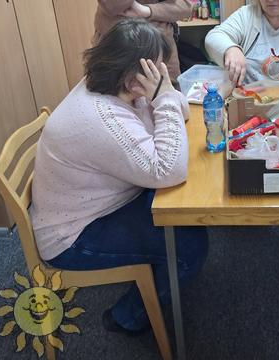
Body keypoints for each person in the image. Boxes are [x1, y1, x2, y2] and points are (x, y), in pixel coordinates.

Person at [30, 18, 208, 335]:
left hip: (105, 202)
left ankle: (152, 277)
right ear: (132, 77)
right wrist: (163, 96)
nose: (161, 73)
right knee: (189, 245)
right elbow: (169, 169)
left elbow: (180, 112)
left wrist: (163, 94)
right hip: (72, 236)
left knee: (181, 211)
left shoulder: (113, 84)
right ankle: (126, 317)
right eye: (155, 68)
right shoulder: (102, 118)